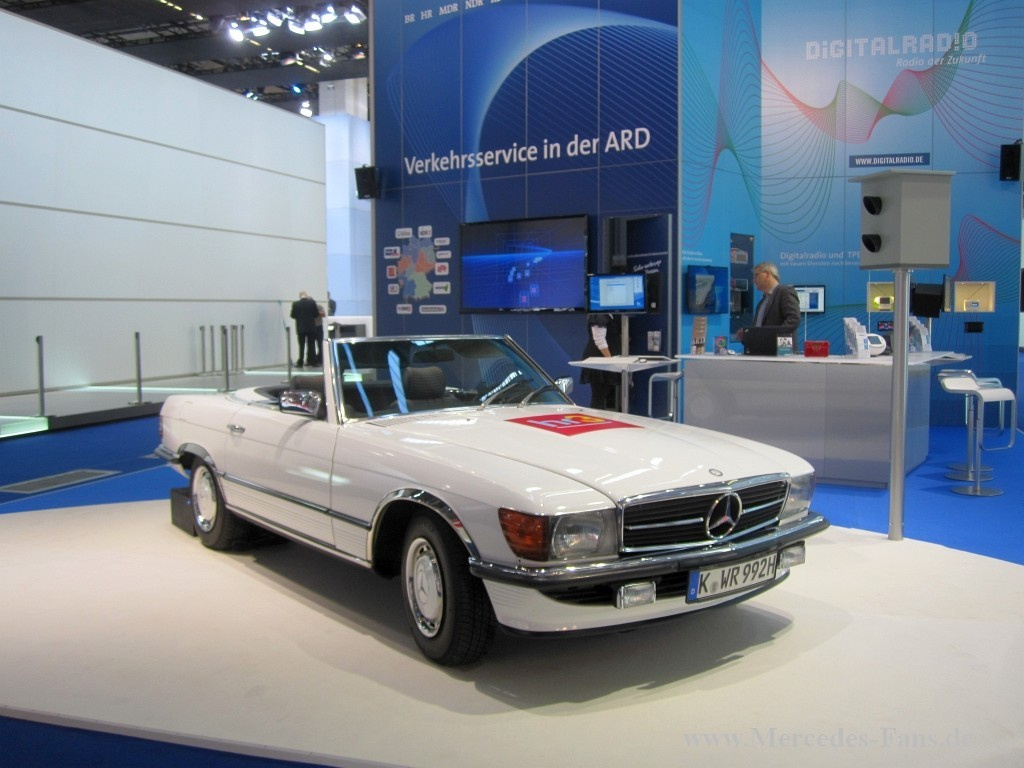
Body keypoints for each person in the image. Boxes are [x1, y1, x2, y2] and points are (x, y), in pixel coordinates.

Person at [741, 261, 801, 347]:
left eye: (756, 275)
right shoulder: (762, 302)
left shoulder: (785, 292)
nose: (753, 280)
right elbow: (760, 329)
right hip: (762, 350)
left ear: (767, 274)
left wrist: (771, 337)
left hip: (780, 351)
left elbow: (794, 319)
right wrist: (747, 334)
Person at [580, 313, 620, 410]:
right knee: (598, 397)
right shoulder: (599, 316)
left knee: (602, 396)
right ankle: (595, 419)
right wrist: (610, 361)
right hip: (599, 361)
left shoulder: (611, 316)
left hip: (606, 361)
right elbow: (599, 340)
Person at [290, 291, 320, 367]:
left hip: (301, 327)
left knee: (301, 345)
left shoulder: (295, 304)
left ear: (300, 296)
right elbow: (316, 314)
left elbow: (292, 315)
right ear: (306, 296)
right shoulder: (312, 303)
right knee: (311, 345)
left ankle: (300, 362)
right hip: (311, 327)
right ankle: (313, 362)